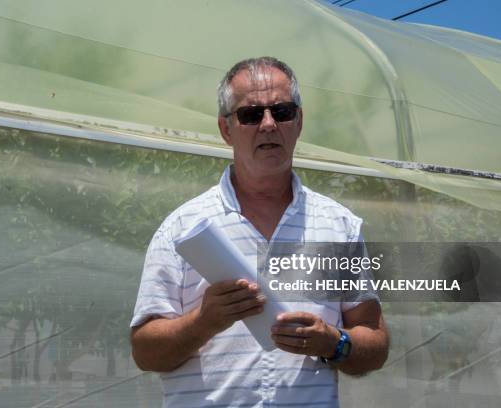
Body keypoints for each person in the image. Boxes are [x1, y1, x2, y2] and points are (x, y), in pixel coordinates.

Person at [130, 57, 389, 407]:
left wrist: (334, 342)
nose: (268, 124)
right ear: (226, 129)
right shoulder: (182, 228)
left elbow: (374, 340)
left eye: (281, 111)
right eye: (251, 115)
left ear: (298, 121)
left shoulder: (338, 226)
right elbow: (145, 352)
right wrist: (203, 323)